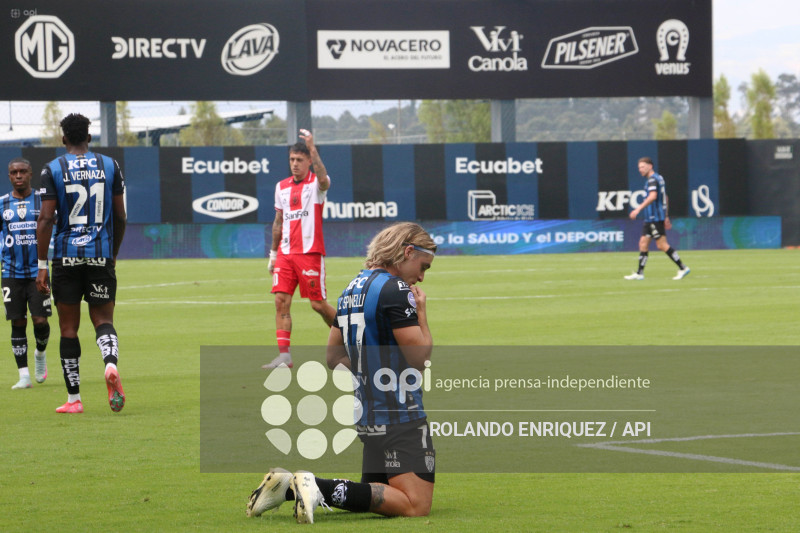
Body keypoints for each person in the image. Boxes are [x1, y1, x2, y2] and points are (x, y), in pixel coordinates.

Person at [247, 222, 437, 523]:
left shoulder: (351, 288)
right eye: (423, 266)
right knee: (415, 505)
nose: (422, 276)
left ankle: (287, 488)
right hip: (401, 416)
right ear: (408, 251)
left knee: (375, 497)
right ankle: (315, 485)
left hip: (367, 418)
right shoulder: (396, 289)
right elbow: (418, 359)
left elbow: (333, 357)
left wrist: (369, 372)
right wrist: (422, 314)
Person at [36, 113, 127, 414]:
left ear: (63, 138)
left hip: (66, 257)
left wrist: (42, 265)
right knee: (103, 321)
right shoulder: (110, 165)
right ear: (89, 137)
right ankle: (110, 364)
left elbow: (46, 219)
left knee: (68, 329)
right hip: (101, 254)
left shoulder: (52, 169)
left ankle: (74, 399)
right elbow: (121, 216)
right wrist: (113, 252)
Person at [263, 129, 336, 370]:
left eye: (299, 160)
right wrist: (273, 254)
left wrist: (313, 148)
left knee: (318, 305)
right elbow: (278, 222)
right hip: (286, 254)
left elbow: (324, 179)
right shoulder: (281, 187)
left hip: (309, 253)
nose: (294, 164)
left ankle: (350, 337)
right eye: (292, 159)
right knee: (281, 302)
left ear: (308, 161)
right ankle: (284, 356)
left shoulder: (316, 185)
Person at [3, 158, 51, 389]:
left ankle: (40, 353)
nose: (19, 175)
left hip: (38, 271)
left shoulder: (44, 200)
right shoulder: (2, 204)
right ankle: (24, 376)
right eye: (14, 172)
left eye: (23, 171)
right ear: (9, 176)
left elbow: (53, 226)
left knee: (40, 320)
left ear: (31, 173)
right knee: (17, 321)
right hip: (10, 271)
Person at [624, 156, 690, 281]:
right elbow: (665, 197)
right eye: (639, 167)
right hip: (651, 218)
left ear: (650, 166)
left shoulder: (652, 180)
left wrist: (638, 209)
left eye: (643, 167)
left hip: (654, 217)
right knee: (643, 243)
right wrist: (666, 215)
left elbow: (653, 196)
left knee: (662, 245)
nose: (640, 169)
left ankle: (683, 268)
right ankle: (639, 273)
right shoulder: (659, 178)